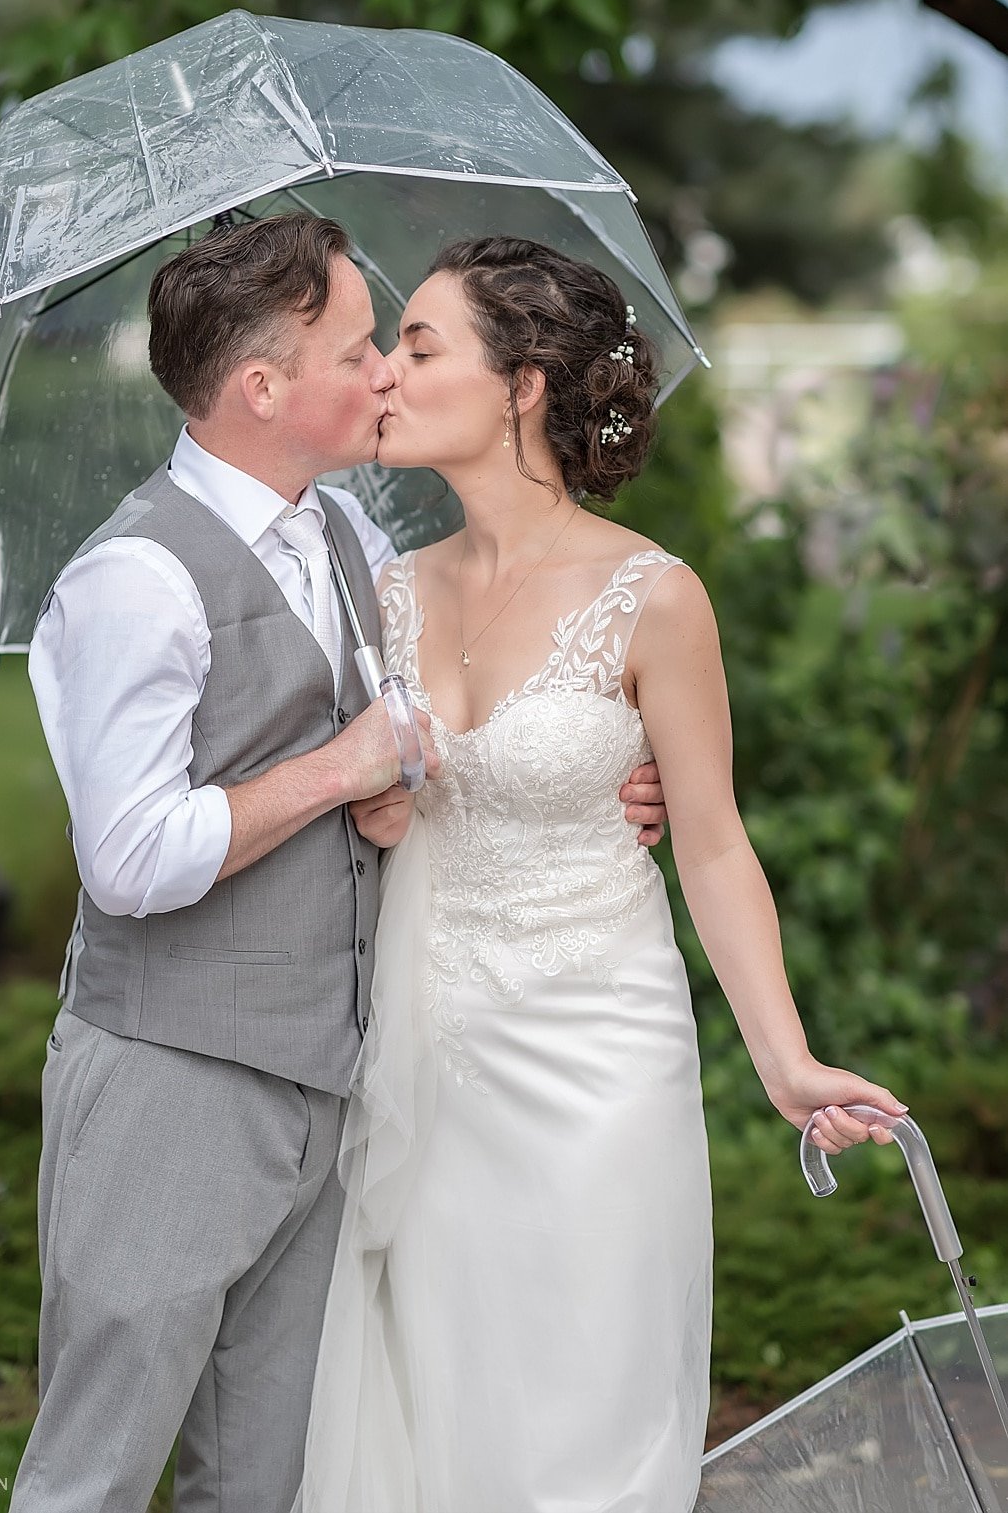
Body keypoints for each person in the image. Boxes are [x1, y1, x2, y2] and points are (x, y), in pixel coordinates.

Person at [9, 214, 669, 1513]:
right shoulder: (133, 580)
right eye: (360, 347)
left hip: (329, 1085)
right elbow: (130, 858)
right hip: (171, 1085)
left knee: (262, 1479)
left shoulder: (347, 539)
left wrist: (584, 788)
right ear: (264, 388)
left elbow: (435, 741)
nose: (385, 373)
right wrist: (338, 767)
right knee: (94, 1471)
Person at [293, 236, 908, 1513]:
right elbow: (363, 802)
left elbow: (713, 839)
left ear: (522, 384)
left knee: (581, 1419)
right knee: (433, 1410)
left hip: (594, 1057)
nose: (388, 378)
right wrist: (384, 811)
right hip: (418, 1069)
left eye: (418, 347)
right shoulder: (383, 593)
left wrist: (785, 1062)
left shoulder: (654, 596)